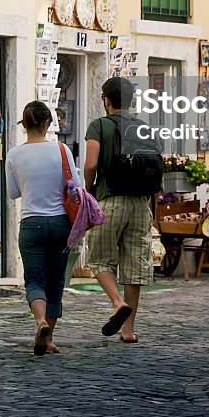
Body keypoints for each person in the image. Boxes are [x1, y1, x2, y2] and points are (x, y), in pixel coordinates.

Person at [84, 77, 158, 343]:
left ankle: (117, 302)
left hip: (110, 201)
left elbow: (91, 163)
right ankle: (128, 331)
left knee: (99, 260)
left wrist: (88, 189)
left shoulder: (99, 126)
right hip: (140, 204)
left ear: (106, 100)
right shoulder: (143, 128)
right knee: (134, 267)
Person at [6, 100, 79, 355]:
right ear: (48, 123)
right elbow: (76, 187)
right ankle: (48, 339)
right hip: (60, 223)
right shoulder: (61, 150)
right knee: (56, 281)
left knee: (34, 280)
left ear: (24, 125)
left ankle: (41, 322)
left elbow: (13, 192)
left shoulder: (14, 154)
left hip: (31, 223)